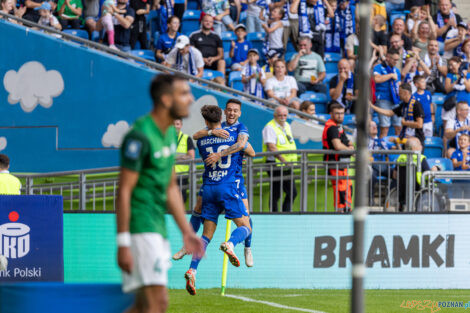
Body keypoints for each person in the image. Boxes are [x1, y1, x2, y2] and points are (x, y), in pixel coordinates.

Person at [116, 74, 204, 312]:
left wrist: (187, 232)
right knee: (157, 304)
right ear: (166, 99)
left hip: (157, 227)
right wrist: (123, 242)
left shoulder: (168, 134)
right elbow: (124, 190)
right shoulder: (140, 135)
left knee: (147, 306)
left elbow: (170, 187)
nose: (191, 98)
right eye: (184, 93)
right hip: (141, 228)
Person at [173, 99, 256, 268]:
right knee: (197, 208)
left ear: (239, 113)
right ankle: (188, 244)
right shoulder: (217, 127)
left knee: (246, 216)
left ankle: (247, 248)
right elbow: (196, 135)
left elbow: (246, 147)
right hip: (218, 180)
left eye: (235, 111)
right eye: (229, 110)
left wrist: (222, 153)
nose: (232, 113)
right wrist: (212, 132)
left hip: (235, 180)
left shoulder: (240, 128)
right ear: (224, 112)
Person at [262, 105, 298, 212]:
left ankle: (282, 213)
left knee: (289, 192)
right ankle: (276, 214)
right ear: (275, 115)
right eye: (280, 115)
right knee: (278, 191)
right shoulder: (270, 127)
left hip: (286, 163)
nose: (282, 117)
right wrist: (285, 161)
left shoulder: (287, 125)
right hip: (275, 163)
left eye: (285, 115)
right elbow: (272, 147)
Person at [322, 101, 354, 212]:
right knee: (341, 188)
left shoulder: (338, 127)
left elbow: (347, 141)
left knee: (347, 186)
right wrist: (350, 150)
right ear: (331, 114)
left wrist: (350, 147)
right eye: (337, 113)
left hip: (341, 163)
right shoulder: (332, 128)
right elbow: (337, 145)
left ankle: (347, 208)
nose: (340, 115)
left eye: (342, 113)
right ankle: (341, 211)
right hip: (335, 163)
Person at [393, 137, 432, 211]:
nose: (422, 146)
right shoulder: (420, 158)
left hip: (402, 189)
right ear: (414, 148)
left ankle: (402, 205)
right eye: (420, 144)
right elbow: (428, 174)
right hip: (418, 187)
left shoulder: (400, 157)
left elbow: (394, 175)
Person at [373, 49, 403, 138]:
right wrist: (390, 75)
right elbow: (376, 79)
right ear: (388, 58)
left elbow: (399, 83)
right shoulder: (378, 67)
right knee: (385, 128)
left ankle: (397, 150)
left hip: (396, 101)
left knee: (398, 127)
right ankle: (382, 151)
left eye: (397, 60)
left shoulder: (397, 70)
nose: (396, 62)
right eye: (394, 59)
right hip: (383, 99)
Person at [174, 119, 195, 204]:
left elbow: (191, 157)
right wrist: (181, 157)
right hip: (168, 175)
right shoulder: (165, 138)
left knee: (181, 200)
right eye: (173, 124)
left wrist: (174, 158)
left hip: (182, 176)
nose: (175, 126)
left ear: (181, 125)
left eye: (177, 124)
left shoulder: (186, 138)